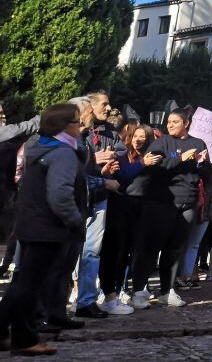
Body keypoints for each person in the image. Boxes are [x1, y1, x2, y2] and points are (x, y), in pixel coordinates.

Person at [0, 104, 92, 355]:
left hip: (30, 223)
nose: (80, 126)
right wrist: (75, 220)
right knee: (30, 286)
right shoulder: (62, 153)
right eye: (76, 121)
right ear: (64, 126)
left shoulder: (38, 146)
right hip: (48, 228)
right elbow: (60, 195)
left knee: (24, 282)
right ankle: (24, 339)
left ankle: (10, 334)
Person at [127, 109, 212, 310]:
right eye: (169, 122)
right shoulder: (162, 143)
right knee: (151, 247)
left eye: (175, 121)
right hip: (162, 201)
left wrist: (203, 164)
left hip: (188, 202)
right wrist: (180, 159)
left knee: (175, 249)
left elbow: (205, 173)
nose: (170, 125)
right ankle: (138, 291)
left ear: (186, 123)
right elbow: (155, 168)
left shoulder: (198, 143)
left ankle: (167, 290)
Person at [74, 92, 124, 320]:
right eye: (104, 103)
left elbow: (120, 152)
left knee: (92, 252)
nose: (109, 107)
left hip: (99, 197)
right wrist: (96, 158)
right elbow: (72, 170)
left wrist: (108, 166)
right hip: (75, 200)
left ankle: (87, 301)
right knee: (69, 253)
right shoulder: (72, 135)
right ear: (89, 108)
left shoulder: (109, 132)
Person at [98, 123, 152, 315]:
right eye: (135, 136)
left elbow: (170, 159)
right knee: (117, 252)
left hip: (141, 207)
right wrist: (141, 164)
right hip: (120, 206)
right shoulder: (121, 157)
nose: (138, 139)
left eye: (142, 137)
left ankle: (129, 289)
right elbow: (123, 175)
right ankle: (113, 291)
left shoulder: (154, 156)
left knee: (134, 251)